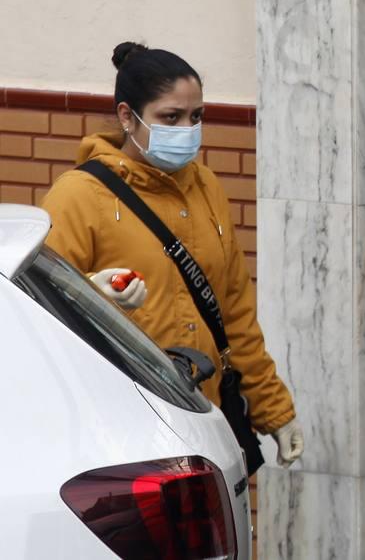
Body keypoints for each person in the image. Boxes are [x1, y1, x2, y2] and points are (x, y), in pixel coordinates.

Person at [42, 42, 303, 468]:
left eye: (196, 116)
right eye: (171, 117)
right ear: (128, 116)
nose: (187, 129)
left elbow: (234, 311)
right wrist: (93, 291)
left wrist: (274, 410)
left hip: (206, 420)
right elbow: (39, 313)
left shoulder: (205, 187)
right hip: (125, 432)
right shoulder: (78, 197)